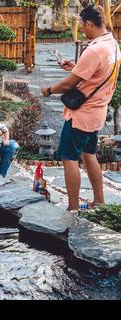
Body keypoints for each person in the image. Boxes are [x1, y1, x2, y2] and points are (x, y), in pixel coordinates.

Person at [41, 4, 121, 212]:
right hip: (97, 113)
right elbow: (97, 73)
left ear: (89, 23)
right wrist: (75, 67)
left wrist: (48, 90)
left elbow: (68, 85)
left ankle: (73, 209)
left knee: (69, 158)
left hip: (82, 115)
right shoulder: (112, 44)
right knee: (89, 154)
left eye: (82, 25)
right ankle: (99, 201)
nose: (82, 30)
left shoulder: (94, 49)